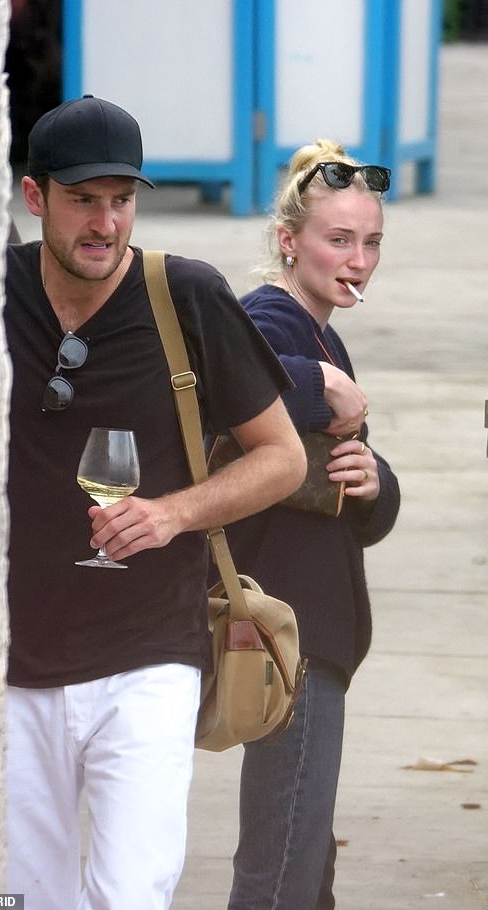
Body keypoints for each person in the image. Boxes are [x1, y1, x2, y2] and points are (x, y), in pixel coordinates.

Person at [3, 95, 307, 910]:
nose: (106, 223)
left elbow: (282, 458)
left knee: (132, 891)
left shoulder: (186, 296)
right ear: (36, 199)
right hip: (7, 662)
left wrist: (173, 513)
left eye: (122, 199)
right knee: (26, 896)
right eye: (82, 200)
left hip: (149, 654)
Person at [219, 141, 401, 910]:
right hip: (287, 628)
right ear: (289, 241)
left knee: (303, 856)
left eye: (371, 243)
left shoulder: (326, 335)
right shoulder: (272, 318)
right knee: (284, 861)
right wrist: (312, 383)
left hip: (314, 630)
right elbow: (229, 385)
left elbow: (358, 500)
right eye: (338, 239)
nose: (357, 259)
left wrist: (372, 481)